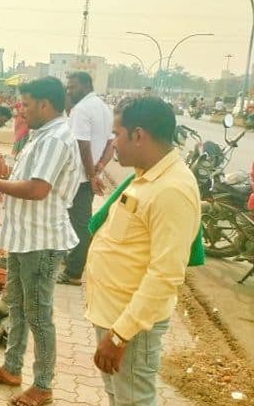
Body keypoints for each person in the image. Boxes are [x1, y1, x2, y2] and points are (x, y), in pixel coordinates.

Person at [0, 76, 81, 406]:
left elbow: (37, 189)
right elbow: (21, 178)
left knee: (39, 315)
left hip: (41, 242)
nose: (22, 111)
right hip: (23, 237)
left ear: (45, 104)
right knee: (16, 305)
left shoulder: (56, 138)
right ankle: (12, 368)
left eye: (26, 104)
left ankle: (43, 385)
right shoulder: (41, 135)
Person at [85, 97, 200, 406]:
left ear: (138, 135)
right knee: (118, 395)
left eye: (116, 134)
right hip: (114, 316)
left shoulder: (172, 190)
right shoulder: (146, 176)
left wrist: (121, 335)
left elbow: (165, 275)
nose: (112, 143)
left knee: (133, 400)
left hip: (130, 326)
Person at [59, 72, 114, 286]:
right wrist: (99, 168)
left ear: (84, 86)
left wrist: (91, 175)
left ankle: (73, 273)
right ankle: (70, 260)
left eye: (72, 87)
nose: (69, 91)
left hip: (79, 178)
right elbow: (111, 143)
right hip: (87, 176)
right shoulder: (103, 108)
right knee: (74, 222)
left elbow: (82, 145)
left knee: (79, 224)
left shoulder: (81, 109)